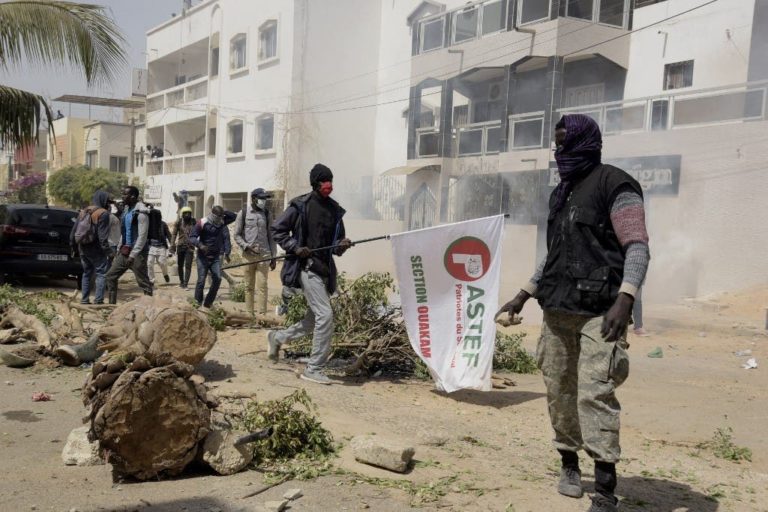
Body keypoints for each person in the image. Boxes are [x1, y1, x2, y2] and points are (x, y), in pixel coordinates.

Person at [497, 114, 650, 512]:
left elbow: (637, 246)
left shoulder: (616, 185)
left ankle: (604, 491)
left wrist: (626, 298)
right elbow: (555, 254)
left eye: (563, 143)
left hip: (602, 312)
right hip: (558, 309)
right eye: (555, 143)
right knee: (559, 390)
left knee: (596, 394)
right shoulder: (560, 191)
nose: (557, 151)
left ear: (583, 144)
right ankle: (568, 464)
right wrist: (524, 294)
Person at [267, 163, 352, 385]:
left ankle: (277, 338)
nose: (329, 185)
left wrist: (342, 244)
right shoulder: (300, 206)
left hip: (325, 271)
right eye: (324, 180)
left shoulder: (335, 210)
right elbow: (277, 229)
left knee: (313, 320)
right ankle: (314, 368)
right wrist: (295, 246)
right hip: (306, 268)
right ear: (315, 183)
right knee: (326, 315)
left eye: (331, 180)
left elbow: (335, 246)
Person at [105, 186, 153, 303]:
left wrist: (133, 255)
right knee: (110, 276)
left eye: (125, 194)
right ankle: (112, 307)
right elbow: (125, 231)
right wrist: (118, 249)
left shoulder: (142, 214)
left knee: (143, 283)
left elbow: (142, 237)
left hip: (137, 253)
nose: (122, 197)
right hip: (124, 251)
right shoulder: (126, 211)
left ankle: (150, 307)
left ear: (133, 197)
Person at [234, 188, 277, 315]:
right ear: (253, 198)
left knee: (263, 286)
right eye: (261, 198)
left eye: (265, 198)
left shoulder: (267, 214)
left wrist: (273, 257)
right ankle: (249, 315)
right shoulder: (243, 213)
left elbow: (271, 236)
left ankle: (262, 316)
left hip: (264, 255)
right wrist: (246, 246)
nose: (263, 201)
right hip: (248, 256)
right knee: (249, 287)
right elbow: (236, 235)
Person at [70, 190, 112, 304]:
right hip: (96, 249)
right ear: (103, 200)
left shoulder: (84, 211)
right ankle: (98, 300)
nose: (109, 204)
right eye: (108, 201)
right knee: (101, 274)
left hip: (82, 247)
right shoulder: (103, 213)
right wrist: (109, 252)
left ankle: (84, 300)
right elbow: (103, 237)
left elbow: (73, 232)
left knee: (87, 273)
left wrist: (73, 247)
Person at [189, 205, 236, 308]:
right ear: (213, 215)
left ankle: (208, 303)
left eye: (221, 216)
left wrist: (225, 210)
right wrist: (200, 246)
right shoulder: (202, 222)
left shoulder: (222, 221)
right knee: (201, 280)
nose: (220, 219)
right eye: (218, 216)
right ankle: (197, 303)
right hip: (203, 257)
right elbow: (192, 238)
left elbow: (233, 217)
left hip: (215, 257)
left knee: (218, 279)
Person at [171, 206, 196, 289]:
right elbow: (174, 234)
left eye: (189, 213)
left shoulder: (193, 222)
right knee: (180, 265)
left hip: (190, 246)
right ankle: (181, 282)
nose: (187, 215)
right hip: (180, 246)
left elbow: (198, 232)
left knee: (188, 265)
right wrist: (172, 245)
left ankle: (185, 284)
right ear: (183, 214)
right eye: (186, 213)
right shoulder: (178, 222)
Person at [146, 209, 172, 286]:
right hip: (151, 246)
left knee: (162, 263)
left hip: (161, 247)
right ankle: (151, 280)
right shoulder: (149, 224)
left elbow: (168, 235)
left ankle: (165, 274)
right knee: (149, 263)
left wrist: (172, 246)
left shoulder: (163, 224)